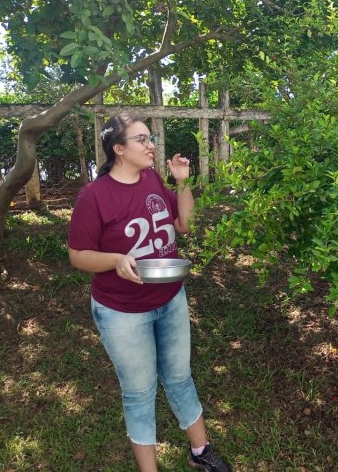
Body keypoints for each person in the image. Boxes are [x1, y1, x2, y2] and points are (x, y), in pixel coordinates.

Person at [67, 114, 230, 472]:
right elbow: (78, 255)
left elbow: (184, 226)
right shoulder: (94, 197)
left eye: (150, 137)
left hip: (170, 298)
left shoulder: (154, 179)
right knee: (139, 392)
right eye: (141, 139)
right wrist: (114, 260)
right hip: (122, 311)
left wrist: (182, 183)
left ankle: (200, 450)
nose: (151, 145)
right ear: (119, 149)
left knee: (179, 376)